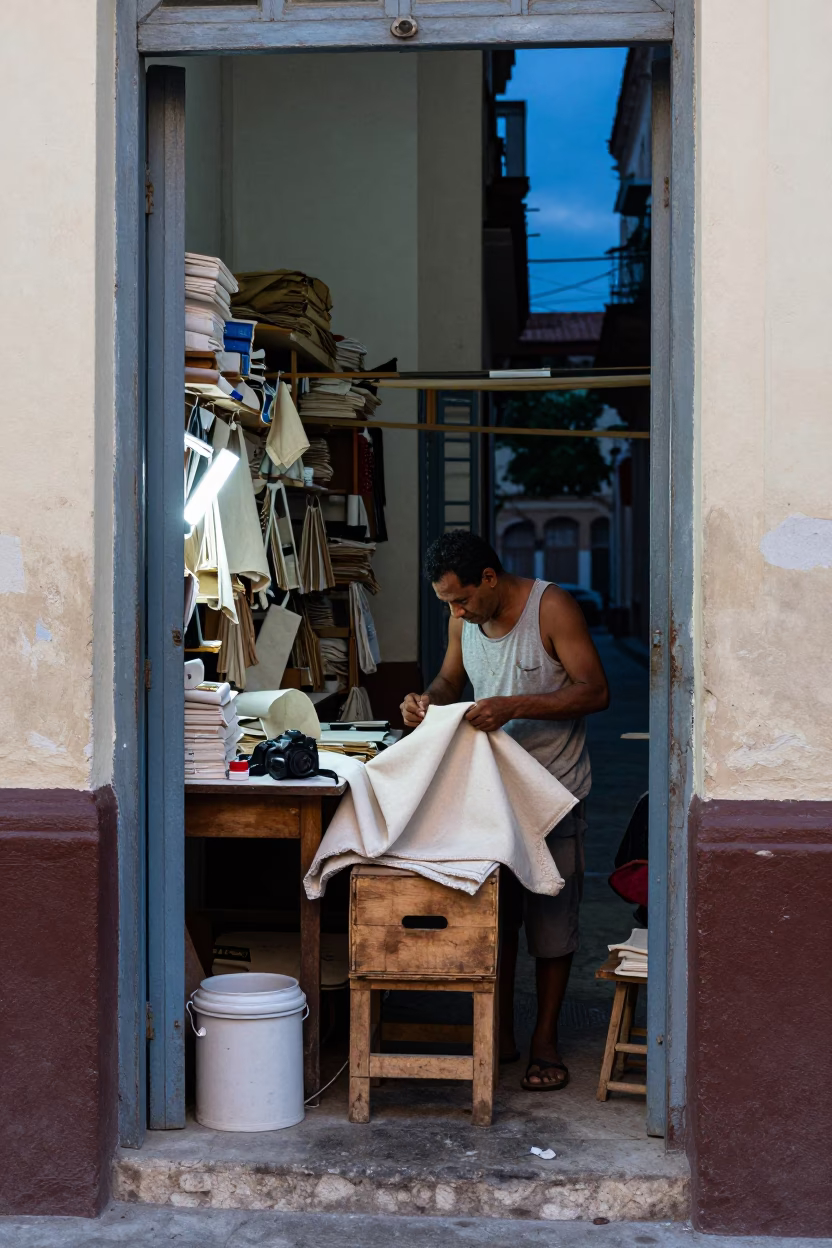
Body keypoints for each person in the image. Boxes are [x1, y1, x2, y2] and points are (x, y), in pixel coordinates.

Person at [401, 530, 609, 1091]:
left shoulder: (553, 607)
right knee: (498, 916)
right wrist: (426, 701)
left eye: (462, 599)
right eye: (448, 602)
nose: (458, 611)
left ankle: (546, 1039)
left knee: (551, 922)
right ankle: (502, 1032)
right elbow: (450, 680)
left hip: (553, 792)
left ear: (489, 578)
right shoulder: (462, 616)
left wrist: (514, 704)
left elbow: (595, 691)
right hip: (490, 793)